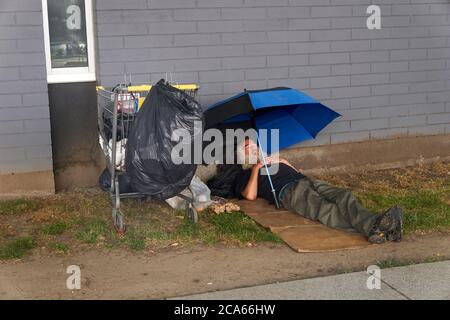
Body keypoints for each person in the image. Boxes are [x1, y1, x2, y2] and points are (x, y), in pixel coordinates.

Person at [234, 138, 403, 244]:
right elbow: (250, 196)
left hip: (307, 180)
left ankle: (380, 227)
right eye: (248, 147)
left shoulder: (274, 159)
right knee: (327, 210)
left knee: (343, 196)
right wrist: (257, 167)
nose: (254, 148)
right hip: (289, 192)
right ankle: (379, 226)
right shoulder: (246, 172)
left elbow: (297, 172)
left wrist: (281, 160)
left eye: (254, 144)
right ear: (243, 155)